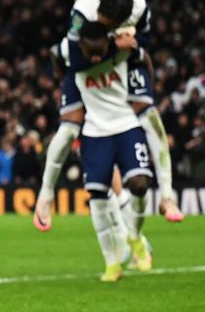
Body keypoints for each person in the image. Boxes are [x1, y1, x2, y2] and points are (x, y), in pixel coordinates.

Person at [35, 0, 182, 228]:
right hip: (83, 68)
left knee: (150, 117)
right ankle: (46, 194)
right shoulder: (83, 13)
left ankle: (167, 196)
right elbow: (70, 56)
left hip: (121, 65)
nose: (99, 22)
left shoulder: (139, 7)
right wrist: (115, 48)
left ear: (120, 20)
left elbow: (144, 39)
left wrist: (137, 51)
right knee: (70, 127)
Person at [46, 22, 155, 281]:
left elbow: (144, 59)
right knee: (96, 193)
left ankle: (135, 236)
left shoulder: (123, 49)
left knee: (139, 184)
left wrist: (150, 85)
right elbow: (55, 54)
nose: (95, 59)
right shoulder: (75, 59)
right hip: (96, 131)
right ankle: (112, 263)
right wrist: (62, 77)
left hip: (126, 124)